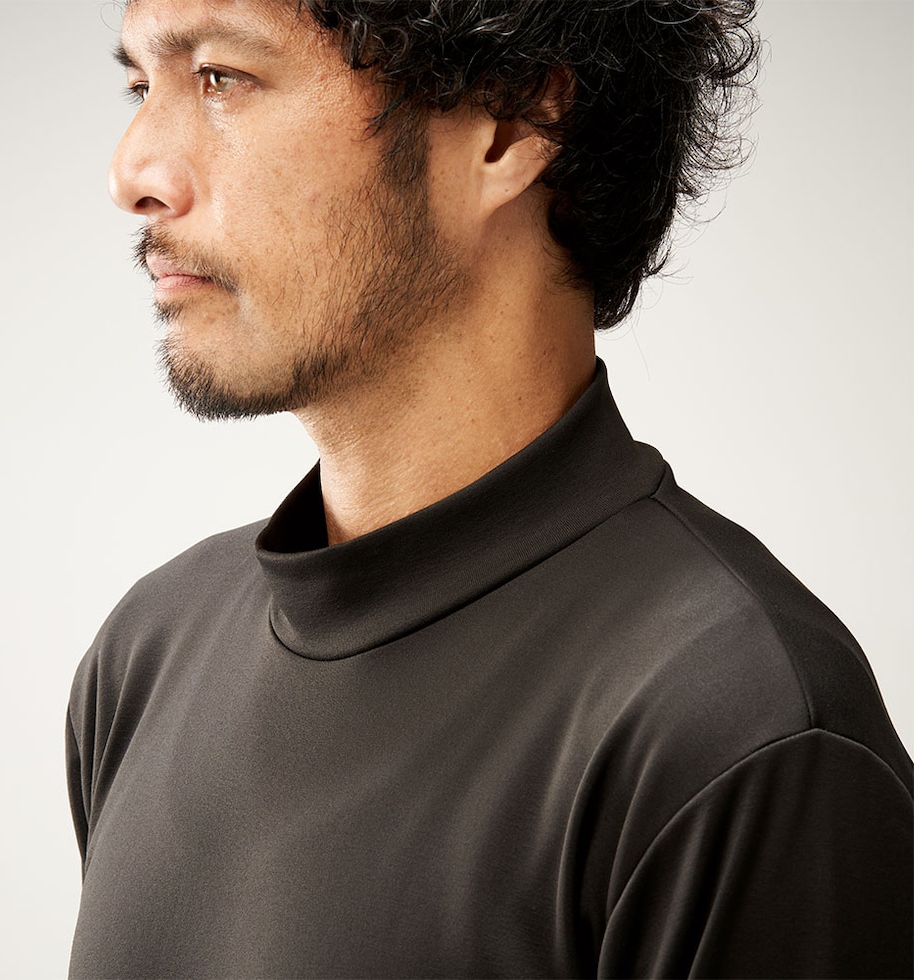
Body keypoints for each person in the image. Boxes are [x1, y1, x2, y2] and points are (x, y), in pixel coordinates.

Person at [66, 0, 913, 976]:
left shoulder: (737, 731)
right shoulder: (150, 655)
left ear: (509, 124)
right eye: (141, 84)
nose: (132, 172)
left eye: (221, 77)